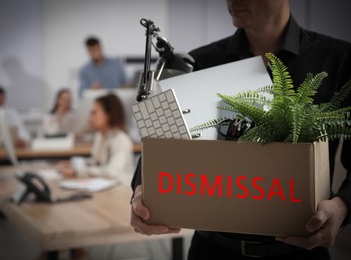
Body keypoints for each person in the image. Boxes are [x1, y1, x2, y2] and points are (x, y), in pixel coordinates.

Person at [130, 0, 351, 259]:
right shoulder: (200, 61)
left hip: (300, 251)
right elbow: (161, 144)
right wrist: (141, 190)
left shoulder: (339, 59)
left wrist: (342, 205)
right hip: (211, 250)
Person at [60, 93, 134, 185]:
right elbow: (96, 163)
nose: (90, 117)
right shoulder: (100, 136)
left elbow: (111, 172)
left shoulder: (121, 140)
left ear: (108, 115)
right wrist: (74, 165)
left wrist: (78, 171)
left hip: (122, 189)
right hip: (107, 186)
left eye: (94, 113)